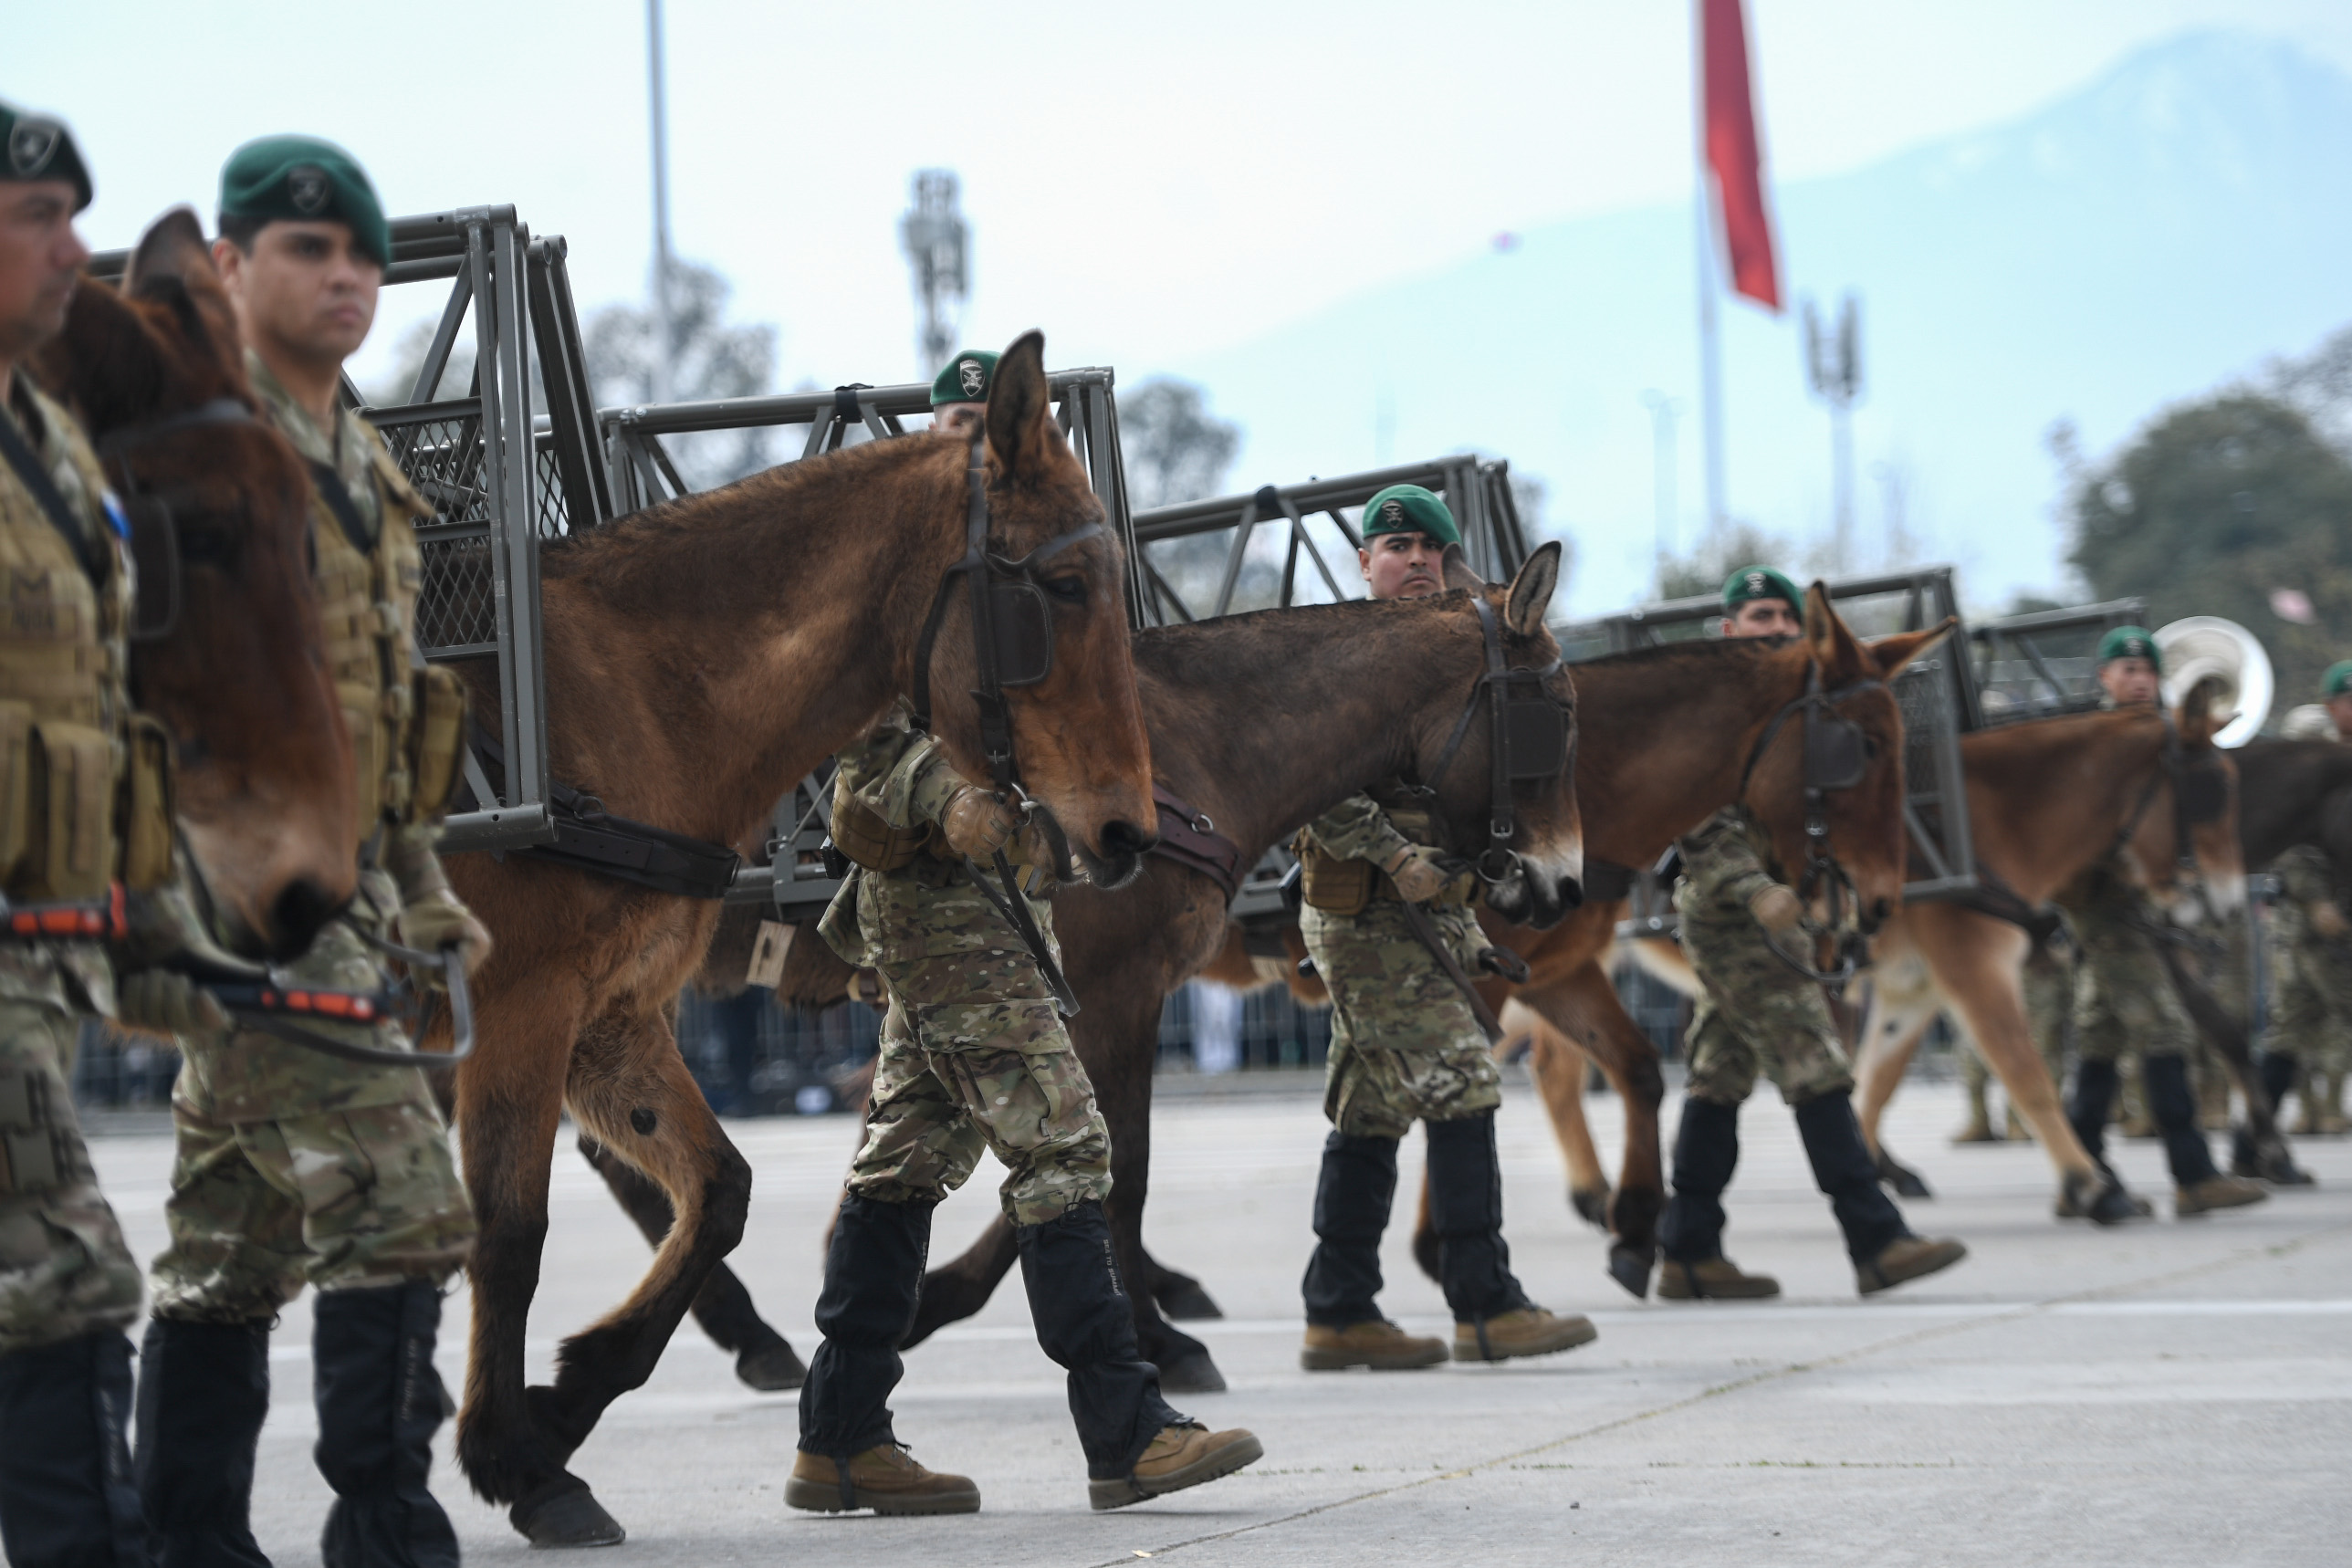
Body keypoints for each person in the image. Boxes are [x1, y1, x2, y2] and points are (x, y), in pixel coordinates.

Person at [789, 367, 1260, 1518]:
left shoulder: (995, 596)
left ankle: (840, 1435)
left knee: (900, 1167)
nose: (978, 453)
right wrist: (947, 801)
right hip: (944, 915)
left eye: (991, 437)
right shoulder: (900, 589)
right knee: (1067, 1153)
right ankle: (1127, 1426)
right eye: (961, 431)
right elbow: (860, 755)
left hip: (987, 910)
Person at [132, 136, 491, 1568]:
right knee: (406, 1206)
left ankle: (186, 1535)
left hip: (351, 893)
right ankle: (385, 1530)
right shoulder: (190, 445)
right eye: (305, 249)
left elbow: (391, 717)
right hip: (230, 891)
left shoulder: (369, 468)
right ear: (228, 265)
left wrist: (424, 894)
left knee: (231, 1244)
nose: (344, 277)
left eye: (361, 255)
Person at [0, 100, 197, 1568]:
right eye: (35, 217)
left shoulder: (52, 448)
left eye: (76, 214)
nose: (75, 247)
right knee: (67, 1276)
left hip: (53, 944)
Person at [1294, 484, 1595, 1372]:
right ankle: (1487, 1301)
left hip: (1429, 907)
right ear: (1364, 564)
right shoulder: (1336, 654)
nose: (1415, 559)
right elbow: (1315, 783)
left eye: (1430, 548)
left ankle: (1340, 1307)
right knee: (1463, 1079)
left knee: (1371, 1102)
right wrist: (1394, 855)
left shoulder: (1461, 650)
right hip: (1363, 902)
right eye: (1394, 547)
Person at [1655, 566, 1967, 1301]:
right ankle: (1877, 1239)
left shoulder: (1803, 710)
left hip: (1780, 901)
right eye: (1758, 617)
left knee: (1720, 1074)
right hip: (1730, 908)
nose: (1774, 629)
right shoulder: (1709, 713)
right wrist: (1755, 887)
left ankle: (1688, 1250)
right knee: (1812, 1060)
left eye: (1784, 618)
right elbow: (1695, 816)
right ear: (1728, 630)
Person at [2057, 626, 2266, 1219]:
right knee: (2165, 1030)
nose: (2137, 678)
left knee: (2100, 1035)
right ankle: (2193, 1175)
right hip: (2102, 903)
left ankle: (2079, 1172)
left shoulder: (2163, 736)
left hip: (2139, 905)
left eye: (2146, 669)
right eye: (2124, 670)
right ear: (2103, 678)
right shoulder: (2089, 739)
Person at [2256, 672, 2352, 1136]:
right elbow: (2291, 842)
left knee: (2289, 1032)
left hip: (2334, 917)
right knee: (2289, 1032)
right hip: (2318, 922)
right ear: (2331, 706)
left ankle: (2251, 1142)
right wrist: (2316, 902)